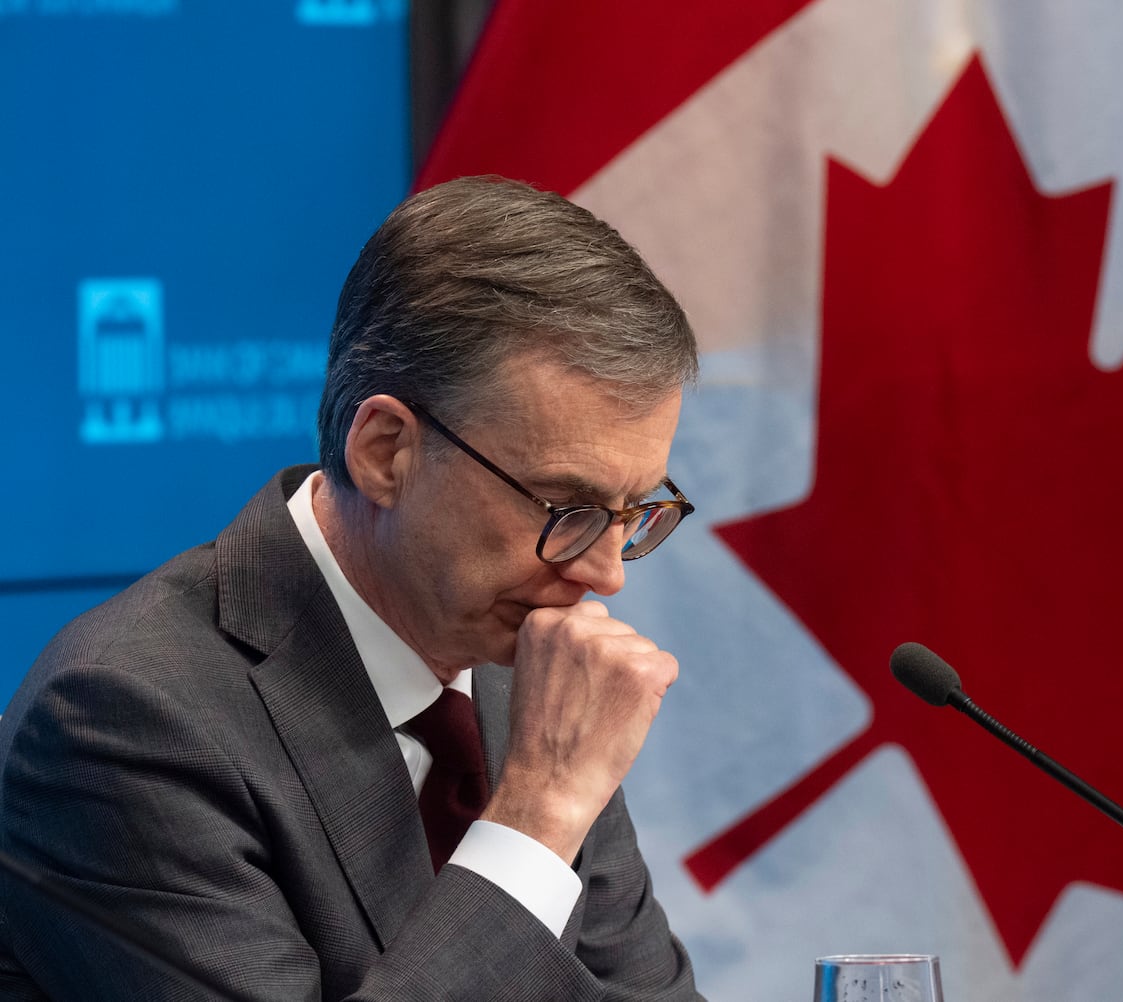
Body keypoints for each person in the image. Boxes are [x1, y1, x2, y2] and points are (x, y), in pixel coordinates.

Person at [0, 176, 705, 1000]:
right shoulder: (124, 718)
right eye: (567, 508)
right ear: (385, 452)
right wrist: (539, 815)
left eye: (633, 513)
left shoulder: (524, 672)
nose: (603, 574)